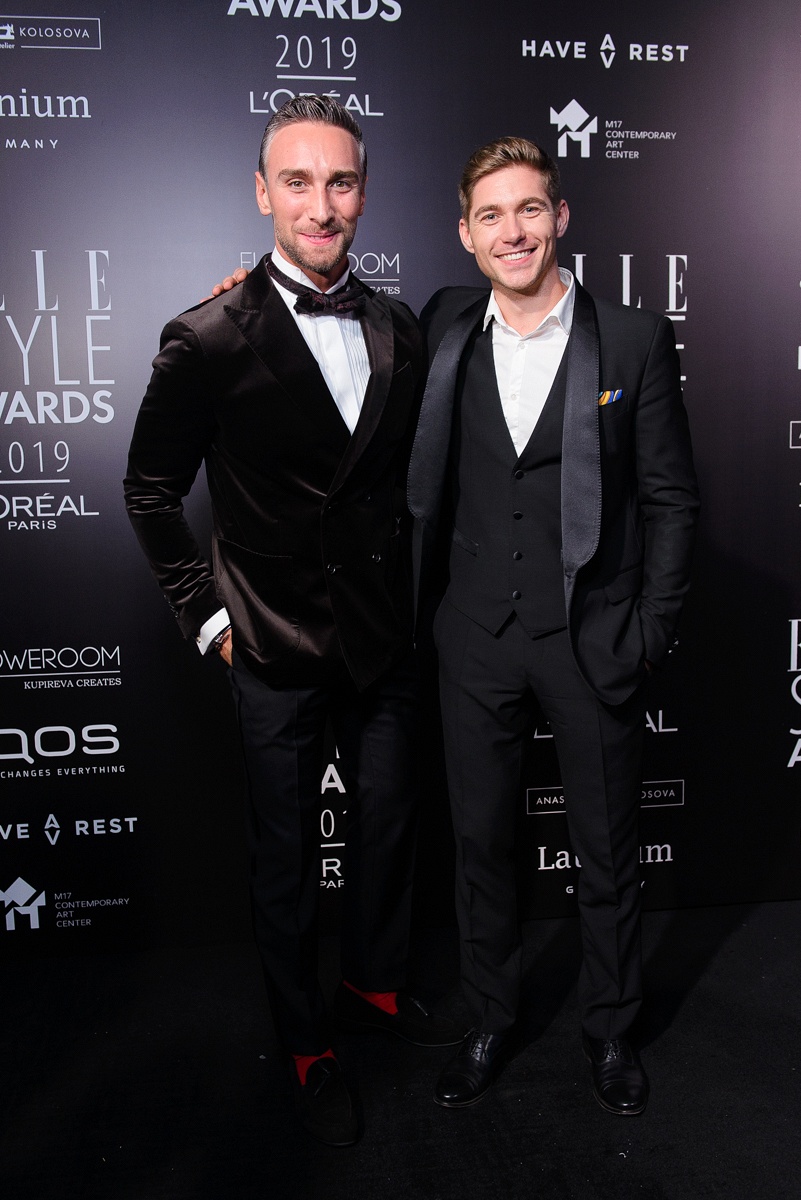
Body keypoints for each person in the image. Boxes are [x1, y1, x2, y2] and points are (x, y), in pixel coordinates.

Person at [124, 95, 461, 1148]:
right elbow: (149, 491)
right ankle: (305, 1040)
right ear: (263, 193)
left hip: (382, 639)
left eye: (341, 182)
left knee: (390, 828)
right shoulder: (206, 336)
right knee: (283, 859)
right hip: (268, 642)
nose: (322, 205)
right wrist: (208, 619)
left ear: (364, 193)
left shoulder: (399, 325)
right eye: (299, 182)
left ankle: (373, 986)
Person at [407, 136, 699, 1114]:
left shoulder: (633, 339)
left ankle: (610, 1030)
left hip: (591, 636)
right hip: (474, 634)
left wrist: (647, 630)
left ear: (560, 216)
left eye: (529, 208)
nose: (512, 231)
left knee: (608, 849)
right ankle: (490, 1017)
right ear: (465, 234)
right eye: (490, 215)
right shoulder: (444, 324)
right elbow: (338, 333)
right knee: (480, 845)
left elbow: (671, 499)